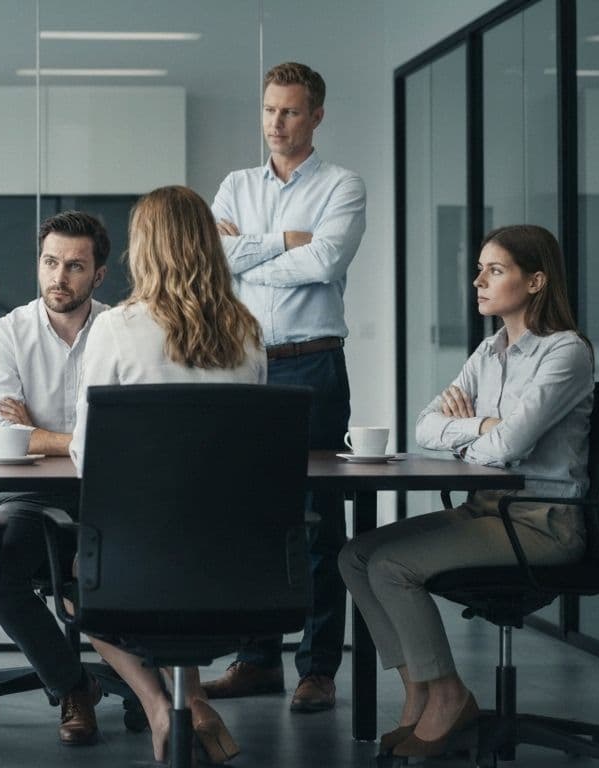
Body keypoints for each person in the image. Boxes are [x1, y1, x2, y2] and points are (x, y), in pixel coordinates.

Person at [340, 225, 593, 759]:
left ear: (537, 281)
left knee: (391, 566)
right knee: (356, 554)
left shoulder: (564, 353)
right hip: (486, 512)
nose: (478, 280)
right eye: (479, 268)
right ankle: (421, 690)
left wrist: (481, 433)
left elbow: (511, 446)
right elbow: (424, 426)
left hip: (541, 523)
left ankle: (449, 693)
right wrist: (481, 427)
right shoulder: (489, 351)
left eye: (495, 270)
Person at [71, 185, 266, 764]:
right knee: (181, 550)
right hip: (232, 558)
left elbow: (89, 456)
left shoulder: (115, 329)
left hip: (141, 554)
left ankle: (161, 707)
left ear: (145, 249)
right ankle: (192, 698)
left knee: (73, 583)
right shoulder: (249, 331)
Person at [204, 60, 367, 712]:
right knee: (248, 518)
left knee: (317, 523)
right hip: (243, 365)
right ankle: (255, 659)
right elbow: (210, 258)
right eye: (270, 109)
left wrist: (253, 253)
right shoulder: (236, 184)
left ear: (317, 116)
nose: (277, 122)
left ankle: (318, 668)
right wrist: (282, 243)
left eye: (291, 110)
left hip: (312, 365)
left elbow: (325, 260)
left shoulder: (342, 186)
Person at [0, 211, 111, 745]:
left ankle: (160, 685)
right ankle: (74, 684)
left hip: (108, 490)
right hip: (29, 492)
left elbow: (125, 432)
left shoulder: (121, 330)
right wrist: (77, 436)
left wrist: (37, 428)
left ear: (98, 275)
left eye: (75, 266)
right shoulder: (6, 333)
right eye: (51, 262)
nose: (60, 277)